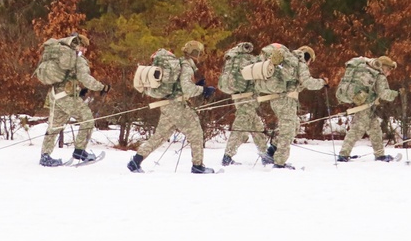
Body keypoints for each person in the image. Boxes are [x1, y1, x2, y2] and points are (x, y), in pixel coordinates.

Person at [128, 40, 215, 174]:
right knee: (196, 133)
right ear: (196, 53)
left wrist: (198, 85)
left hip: (169, 106)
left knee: (160, 137)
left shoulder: (180, 63)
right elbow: (187, 89)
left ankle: (136, 161)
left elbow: (179, 86)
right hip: (178, 107)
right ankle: (198, 166)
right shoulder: (186, 65)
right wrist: (203, 90)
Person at [39, 34, 109, 167]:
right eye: (85, 47)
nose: (85, 50)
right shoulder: (76, 58)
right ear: (79, 45)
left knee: (55, 126)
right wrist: (102, 87)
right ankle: (80, 151)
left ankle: (45, 155)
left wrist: (79, 92)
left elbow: (68, 77)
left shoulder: (63, 55)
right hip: (66, 97)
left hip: (56, 95)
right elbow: (85, 78)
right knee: (87, 120)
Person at [256, 45, 326, 170]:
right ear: (308, 57)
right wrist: (323, 82)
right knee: (287, 130)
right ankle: (279, 162)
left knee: (295, 124)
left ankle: (271, 152)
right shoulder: (300, 62)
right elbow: (309, 83)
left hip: (277, 99)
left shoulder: (289, 61)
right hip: (286, 100)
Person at [337, 56, 399, 162]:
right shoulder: (379, 76)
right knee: (357, 130)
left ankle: (379, 155)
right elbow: (384, 94)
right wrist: (396, 93)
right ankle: (343, 154)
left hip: (367, 106)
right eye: (389, 69)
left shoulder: (373, 74)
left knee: (375, 130)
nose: (389, 72)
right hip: (365, 107)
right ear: (384, 67)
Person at [219, 42, 268, 166]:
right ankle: (227, 156)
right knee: (240, 127)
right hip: (248, 98)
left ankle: (265, 154)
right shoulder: (250, 60)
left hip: (240, 96)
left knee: (257, 127)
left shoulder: (233, 59)